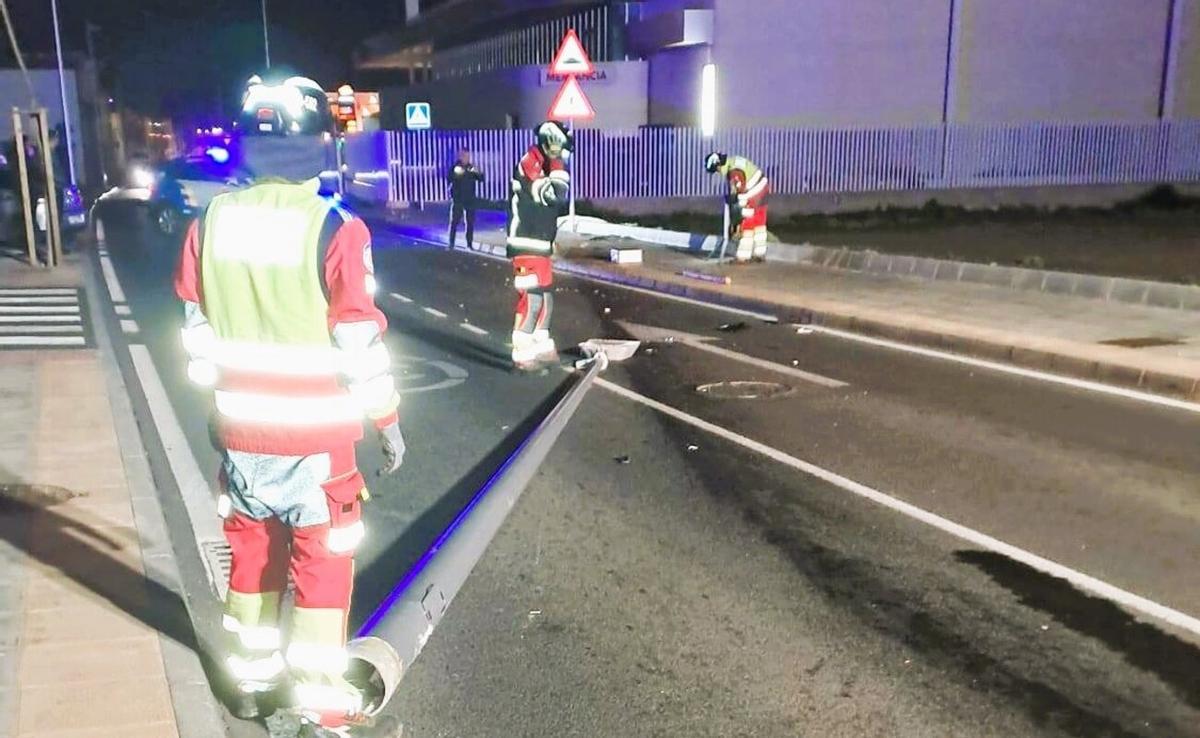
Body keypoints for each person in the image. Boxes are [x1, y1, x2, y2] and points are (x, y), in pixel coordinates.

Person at [173, 75, 405, 735]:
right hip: (318, 446)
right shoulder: (335, 227)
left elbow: (196, 327)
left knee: (252, 563)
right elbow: (357, 340)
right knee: (321, 570)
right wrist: (385, 418)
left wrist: (223, 405)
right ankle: (316, 703)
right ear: (317, 145)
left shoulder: (210, 222)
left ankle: (249, 688)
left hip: (242, 436)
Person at [506, 121, 572, 370]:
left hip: (540, 243)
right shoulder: (530, 162)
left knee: (546, 297)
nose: (562, 157)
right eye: (560, 150)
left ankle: (541, 345)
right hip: (525, 241)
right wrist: (556, 164)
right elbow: (556, 194)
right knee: (531, 299)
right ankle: (522, 354)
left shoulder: (543, 162)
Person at [705, 152, 770, 262]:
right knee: (759, 223)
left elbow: (741, 194)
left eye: (716, 170)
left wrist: (737, 221)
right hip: (764, 189)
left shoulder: (734, 173)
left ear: (718, 165)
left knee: (747, 224)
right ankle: (760, 253)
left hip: (754, 193)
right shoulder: (733, 161)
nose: (718, 172)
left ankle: (743, 257)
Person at [447, 147, 483, 250]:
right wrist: (458, 174)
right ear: (460, 156)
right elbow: (449, 178)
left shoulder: (471, 168)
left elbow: (481, 179)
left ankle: (469, 244)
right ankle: (451, 243)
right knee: (454, 222)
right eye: (463, 156)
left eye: (467, 156)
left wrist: (477, 172)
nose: (466, 158)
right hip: (458, 199)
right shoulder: (455, 167)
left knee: (470, 222)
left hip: (469, 199)